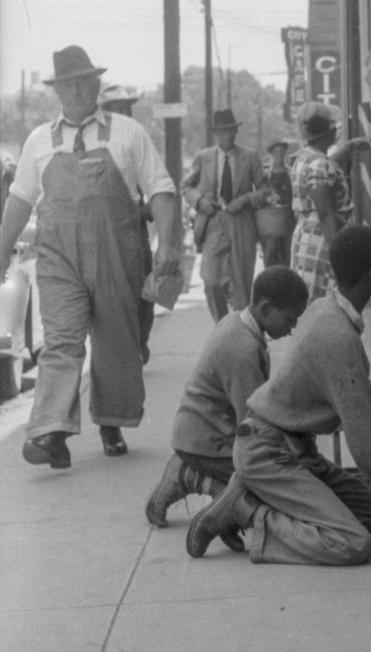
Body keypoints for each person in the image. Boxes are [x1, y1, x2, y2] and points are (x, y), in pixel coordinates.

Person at [186, 226, 371, 565]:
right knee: (353, 544)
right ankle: (249, 512)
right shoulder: (337, 336)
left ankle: (259, 496)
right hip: (269, 452)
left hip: (294, 449)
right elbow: (364, 438)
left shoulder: (327, 310)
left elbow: (357, 408)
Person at [0, 45, 181, 467]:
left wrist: (169, 244)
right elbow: (20, 200)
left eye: (82, 81)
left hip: (118, 253)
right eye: (67, 84)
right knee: (61, 340)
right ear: (57, 90)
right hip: (59, 258)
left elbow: (161, 189)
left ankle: (111, 421)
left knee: (117, 341)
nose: (76, 90)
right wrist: (2, 248)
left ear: (96, 84)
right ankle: (50, 433)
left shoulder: (126, 133)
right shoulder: (38, 141)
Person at [145, 265, 308, 540]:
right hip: (206, 442)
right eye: (289, 320)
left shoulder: (237, 322)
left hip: (204, 434)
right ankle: (190, 477)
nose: (291, 329)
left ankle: (223, 500)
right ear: (266, 308)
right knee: (277, 479)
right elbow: (253, 423)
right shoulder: (242, 349)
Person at [182, 109, 265, 322]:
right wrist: (200, 202)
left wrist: (246, 199)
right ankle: (221, 326)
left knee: (241, 283)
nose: (227, 134)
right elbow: (186, 186)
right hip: (213, 222)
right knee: (211, 282)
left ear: (235, 131)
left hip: (241, 223)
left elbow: (266, 190)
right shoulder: (203, 158)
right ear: (216, 133)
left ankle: (242, 331)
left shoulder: (249, 156)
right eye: (222, 131)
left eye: (230, 130)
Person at [98, 84, 155, 364]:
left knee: (144, 294)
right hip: (104, 236)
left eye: (126, 109)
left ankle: (139, 344)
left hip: (136, 233)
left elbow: (157, 189)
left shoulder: (138, 142)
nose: (123, 114)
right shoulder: (94, 146)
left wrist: (143, 210)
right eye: (117, 109)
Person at [289, 102, 352, 303]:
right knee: (324, 302)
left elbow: (325, 170)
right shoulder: (320, 163)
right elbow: (325, 213)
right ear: (330, 132)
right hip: (322, 239)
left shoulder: (304, 157)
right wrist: (338, 255)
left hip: (305, 237)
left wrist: (348, 149)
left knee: (310, 300)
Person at [258, 140, 294, 267]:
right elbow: (260, 195)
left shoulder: (291, 172)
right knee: (270, 253)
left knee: (287, 254)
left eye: (281, 151)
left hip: (289, 218)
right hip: (271, 220)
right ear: (271, 154)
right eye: (276, 152)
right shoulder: (266, 174)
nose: (279, 154)